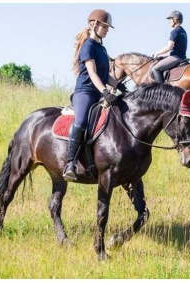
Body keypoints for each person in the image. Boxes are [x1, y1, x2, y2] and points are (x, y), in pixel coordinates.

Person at [63, 9, 128, 182]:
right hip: (85, 92)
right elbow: (92, 74)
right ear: (94, 24)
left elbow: (105, 75)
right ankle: (70, 163)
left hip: (99, 91)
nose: (107, 30)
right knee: (82, 120)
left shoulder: (101, 48)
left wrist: (119, 85)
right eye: (105, 27)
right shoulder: (88, 46)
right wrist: (105, 92)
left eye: (107, 27)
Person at [151, 11, 188, 84]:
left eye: (170, 19)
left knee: (155, 69)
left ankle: (161, 90)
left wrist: (157, 53)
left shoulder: (175, 32)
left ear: (175, 19)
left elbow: (169, 47)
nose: (169, 22)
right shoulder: (183, 31)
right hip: (182, 57)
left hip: (176, 57)